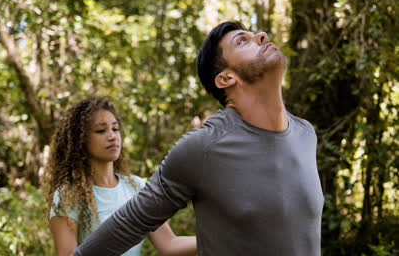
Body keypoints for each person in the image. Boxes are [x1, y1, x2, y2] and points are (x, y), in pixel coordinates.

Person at [73, 21, 324, 256]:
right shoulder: (202, 148)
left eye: (256, 35)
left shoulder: (305, 134)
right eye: (242, 41)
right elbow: (129, 223)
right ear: (226, 78)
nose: (262, 36)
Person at [43, 97, 197, 256]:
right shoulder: (68, 196)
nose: (112, 136)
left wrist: (218, 239)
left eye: (115, 129)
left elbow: (169, 244)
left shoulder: (137, 187)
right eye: (101, 131)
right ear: (80, 140)